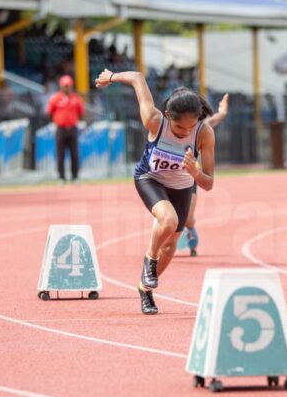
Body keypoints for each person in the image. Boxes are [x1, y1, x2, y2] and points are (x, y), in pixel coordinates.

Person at [95, 68, 216, 315]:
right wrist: (110, 77)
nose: (185, 133)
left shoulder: (204, 133)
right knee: (168, 220)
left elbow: (208, 183)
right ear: (168, 115)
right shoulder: (154, 120)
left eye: (190, 127)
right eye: (180, 128)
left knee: (170, 247)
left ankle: (145, 289)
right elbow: (138, 77)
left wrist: (195, 172)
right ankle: (149, 259)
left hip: (182, 186)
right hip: (150, 178)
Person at [182, 94, 229, 256]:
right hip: (169, 174)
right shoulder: (169, 126)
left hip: (190, 176)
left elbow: (213, 120)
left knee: (187, 217)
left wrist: (222, 112)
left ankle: (190, 225)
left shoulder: (201, 128)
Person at [46, 75, 84, 184]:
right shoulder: (55, 98)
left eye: (68, 86)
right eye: (65, 86)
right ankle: (61, 177)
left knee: (74, 154)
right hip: (60, 129)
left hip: (72, 129)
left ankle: (75, 177)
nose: (67, 88)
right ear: (61, 86)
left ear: (71, 86)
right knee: (60, 154)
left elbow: (81, 112)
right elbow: (50, 112)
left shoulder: (76, 98)